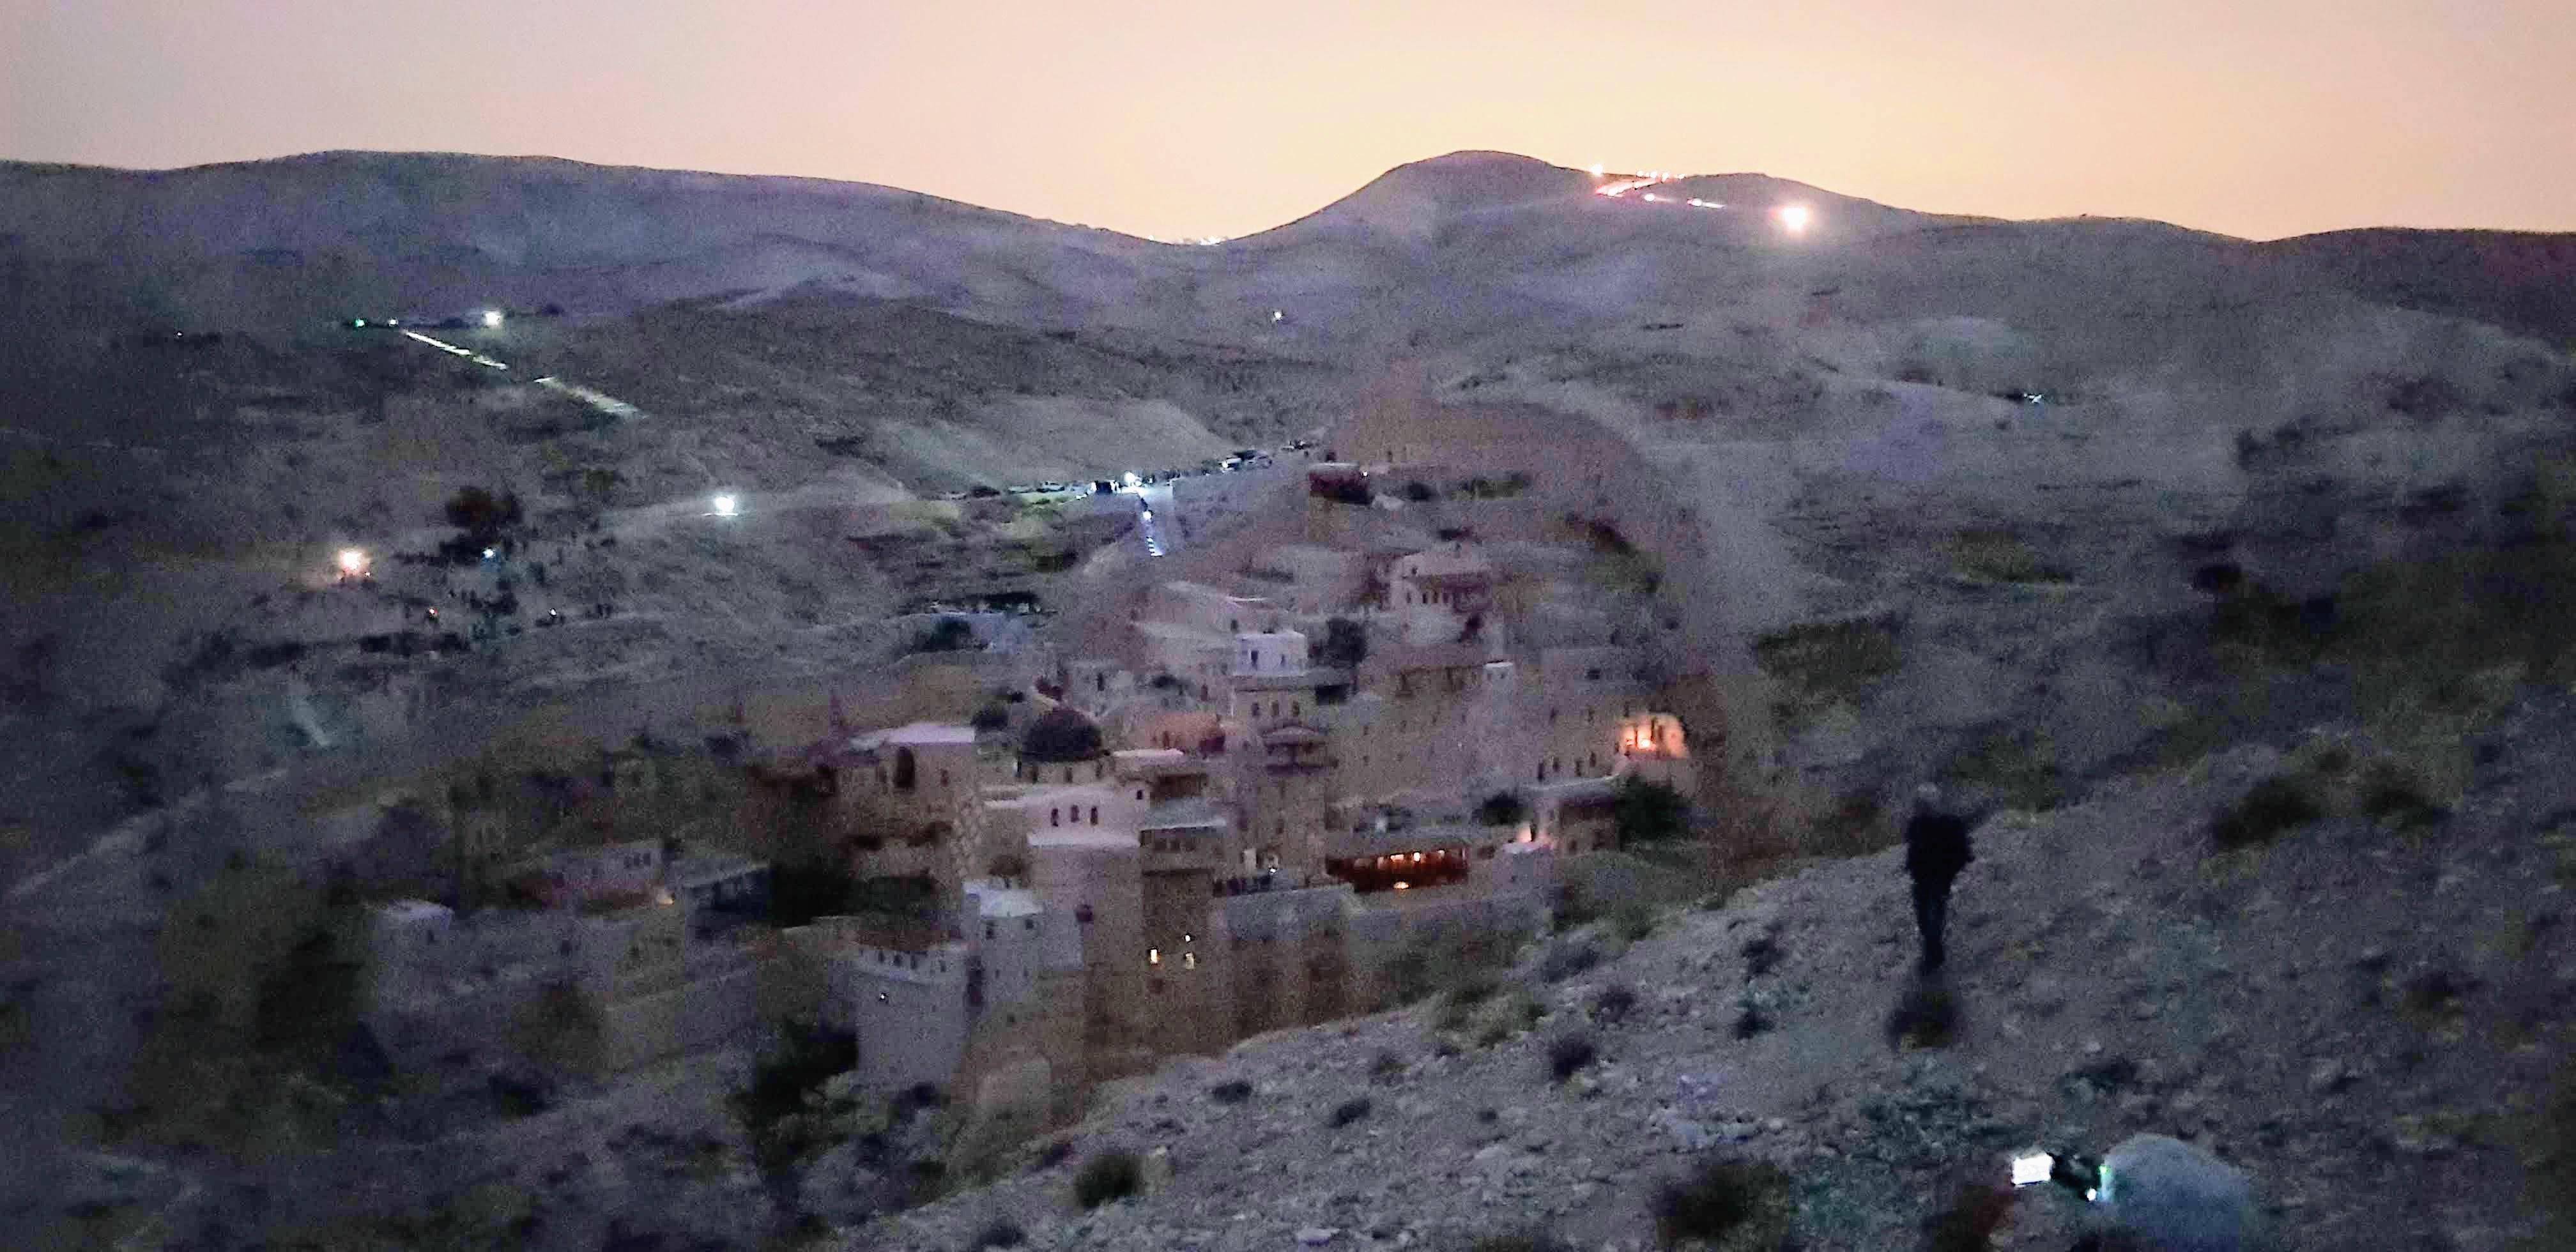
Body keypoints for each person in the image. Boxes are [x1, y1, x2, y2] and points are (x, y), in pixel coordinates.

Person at [1902, 782, 1974, 973]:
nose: (1924, 809)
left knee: (1933, 918)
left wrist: (1954, 869)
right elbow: (1912, 849)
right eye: (1921, 805)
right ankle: (1932, 951)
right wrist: (1911, 866)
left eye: (1926, 805)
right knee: (1923, 918)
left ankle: (1934, 956)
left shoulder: (1950, 824)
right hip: (1922, 879)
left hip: (1940, 878)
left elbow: (1963, 851)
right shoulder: (1916, 825)